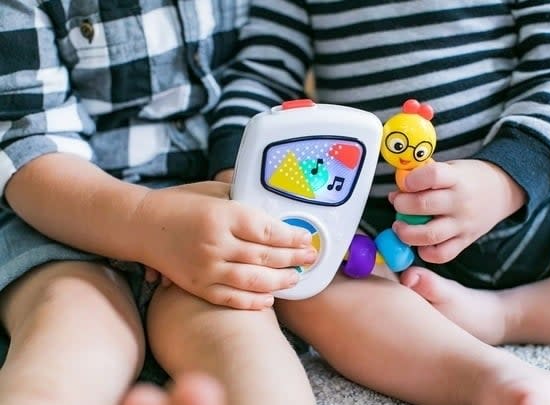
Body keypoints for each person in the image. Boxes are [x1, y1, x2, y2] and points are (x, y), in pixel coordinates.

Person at [201, 0, 550, 403]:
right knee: (299, 274)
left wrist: (501, 179)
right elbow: (261, 79)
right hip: (386, 231)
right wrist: (237, 179)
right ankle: (486, 379)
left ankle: (509, 315)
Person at [0, 1, 317, 404]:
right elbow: (26, 144)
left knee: (239, 334)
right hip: (61, 212)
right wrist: (146, 222)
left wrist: (235, 189)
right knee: (75, 326)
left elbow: (262, 80)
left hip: (207, 199)